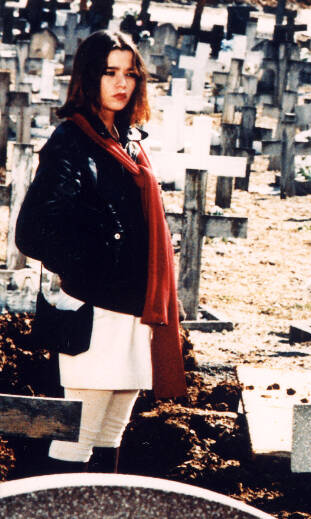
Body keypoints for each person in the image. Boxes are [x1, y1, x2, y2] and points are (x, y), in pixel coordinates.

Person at [15, 31, 186, 474]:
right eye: (110, 72)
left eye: (130, 73)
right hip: (95, 313)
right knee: (77, 440)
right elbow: (33, 232)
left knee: (110, 438)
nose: (121, 83)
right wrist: (96, 263)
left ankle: (102, 506)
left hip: (134, 310)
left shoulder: (129, 139)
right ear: (88, 77)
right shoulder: (72, 142)